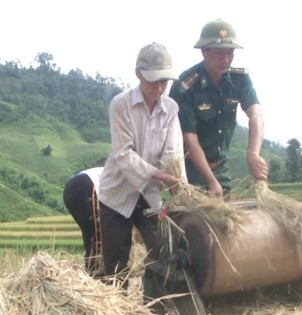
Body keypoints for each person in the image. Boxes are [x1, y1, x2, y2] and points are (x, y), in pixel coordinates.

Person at [97, 42, 187, 302]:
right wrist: (160, 176)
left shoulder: (171, 108)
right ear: (138, 74)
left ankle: (154, 305)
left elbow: (173, 154)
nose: (159, 88)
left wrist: (177, 185)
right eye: (153, 81)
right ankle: (115, 305)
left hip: (151, 195)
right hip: (117, 193)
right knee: (116, 261)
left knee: (161, 252)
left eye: (164, 82)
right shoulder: (121, 105)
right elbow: (123, 155)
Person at [169, 19, 269, 199]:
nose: (226, 59)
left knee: (227, 225)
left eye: (230, 53)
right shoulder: (185, 86)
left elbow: (256, 115)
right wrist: (210, 180)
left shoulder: (240, 79)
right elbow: (190, 140)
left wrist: (253, 153)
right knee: (195, 225)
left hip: (221, 170)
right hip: (190, 173)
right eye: (219, 53)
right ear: (203, 51)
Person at [63, 167, 104, 277]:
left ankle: (93, 275)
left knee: (92, 236)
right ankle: (95, 276)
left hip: (74, 185)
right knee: (96, 238)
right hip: (87, 185)